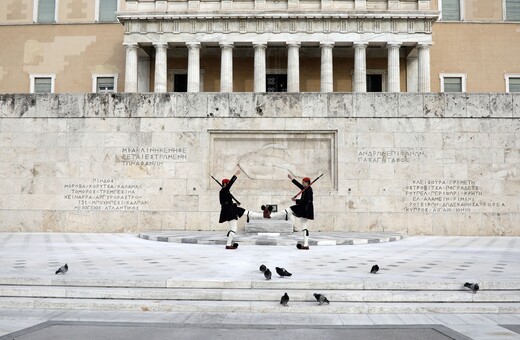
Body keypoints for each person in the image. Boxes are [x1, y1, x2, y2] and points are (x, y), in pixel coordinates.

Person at [219, 169, 246, 249]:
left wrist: (235, 204)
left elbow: (226, 202)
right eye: (227, 183)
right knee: (234, 228)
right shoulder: (224, 190)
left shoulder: (225, 191)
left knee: (233, 228)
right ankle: (228, 244)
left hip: (228, 210)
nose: (227, 184)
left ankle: (229, 238)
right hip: (229, 211)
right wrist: (235, 175)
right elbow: (230, 184)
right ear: (225, 184)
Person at [287, 174, 314, 250]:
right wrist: (292, 179)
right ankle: (305, 245)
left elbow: (305, 201)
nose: (302, 184)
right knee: (304, 227)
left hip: (306, 210)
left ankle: (306, 245)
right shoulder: (306, 188)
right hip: (304, 210)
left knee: (304, 227)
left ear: (306, 183)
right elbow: (299, 185)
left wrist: (296, 200)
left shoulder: (309, 190)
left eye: (303, 182)